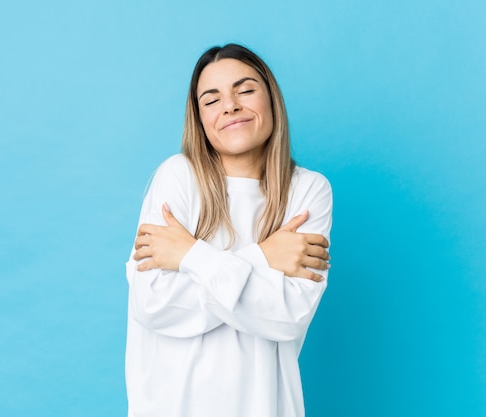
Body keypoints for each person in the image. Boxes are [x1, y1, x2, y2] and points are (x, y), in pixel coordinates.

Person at [125, 43, 333, 417]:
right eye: (212, 99)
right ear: (199, 118)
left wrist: (189, 256)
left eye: (246, 90)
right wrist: (263, 257)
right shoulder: (178, 176)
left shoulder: (308, 190)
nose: (230, 106)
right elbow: (155, 304)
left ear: (271, 98)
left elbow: (288, 316)